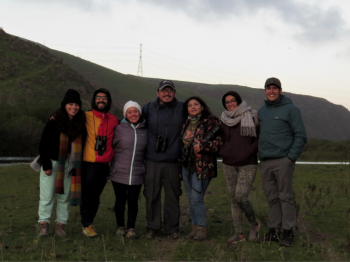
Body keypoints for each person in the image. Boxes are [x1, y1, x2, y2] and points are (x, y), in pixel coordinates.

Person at [258, 77, 307, 247]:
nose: (271, 91)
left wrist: (290, 158)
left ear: (280, 90)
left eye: (274, 88)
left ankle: (288, 231)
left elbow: (300, 135)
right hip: (265, 161)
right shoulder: (262, 111)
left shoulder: (291, 109)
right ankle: (274, 231)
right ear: (265, 90)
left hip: (283, 160)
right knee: (272, 197)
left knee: (285, 197)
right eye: (268, 88)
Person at [38, 89, 86, 237]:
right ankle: (44, 224)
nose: (74, 107)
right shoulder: (55, 120)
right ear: (65, 105)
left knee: (64, 197)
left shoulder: (81, 123)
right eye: (70, 104)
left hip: (70, 165)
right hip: (52, 163)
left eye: (76, 104)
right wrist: (45, 163)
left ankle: (61, 225)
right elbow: (43, 142)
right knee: (47, 196)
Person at [142, 80, 185, 239]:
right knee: (152, 194)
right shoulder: (148, 109)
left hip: (173, 160)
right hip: (152, 159)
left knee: (172, 195)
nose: (167, 94)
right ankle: (153, 227)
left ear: (174, 92)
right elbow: (132, 121)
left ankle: (172, 227)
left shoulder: (182, 108)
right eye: (163, 91)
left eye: (170, 91)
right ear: (157, 92)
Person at [219, 91, 260, 244]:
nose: (230, 104)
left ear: (239, 101)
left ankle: (254, 225)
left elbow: (258, 137)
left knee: (240, 196)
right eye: (227, 102)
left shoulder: (252, 115)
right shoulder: (223, 119)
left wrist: (250, 150)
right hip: (228, 163)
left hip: (248, 163)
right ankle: (239, 233)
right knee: (233, 199)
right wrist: (222, 151)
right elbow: (220, 139)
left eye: (233, 100)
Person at [180, 96, 221, 241]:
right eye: (190, 105)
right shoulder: (185, 123)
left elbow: (219, 144)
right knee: (191, 199)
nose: (192, 107)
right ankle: (195, 228)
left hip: (203, 166)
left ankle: (202, 229)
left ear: (202, 107)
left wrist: (203, 146)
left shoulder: (211, 122)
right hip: (186, 166)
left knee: (197, 198)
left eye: (196, 104)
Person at [80, 88, 119, 237]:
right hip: (88, 164)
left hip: (104, 166)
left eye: (104, 98)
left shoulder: (114, 120)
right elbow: (67, 116)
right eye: (98, 97)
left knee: (96, 196)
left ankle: (90, 223)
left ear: (108, 101)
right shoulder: (85, 116)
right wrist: (54, 116)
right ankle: (86, 224)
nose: (101, 100)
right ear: (93, 100)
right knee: (86, 195)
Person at [109, 101, 147, 239]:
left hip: (137, 172)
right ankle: (120, 227)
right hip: (118, 171)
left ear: (139, 113)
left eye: (135, 111)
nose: (133, 114)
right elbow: (110, 146)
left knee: (133, 200)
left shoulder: (145, 129)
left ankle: (131, 228)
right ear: (125, 114)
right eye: (129, 112)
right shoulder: (118, 129)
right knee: (120, 200)